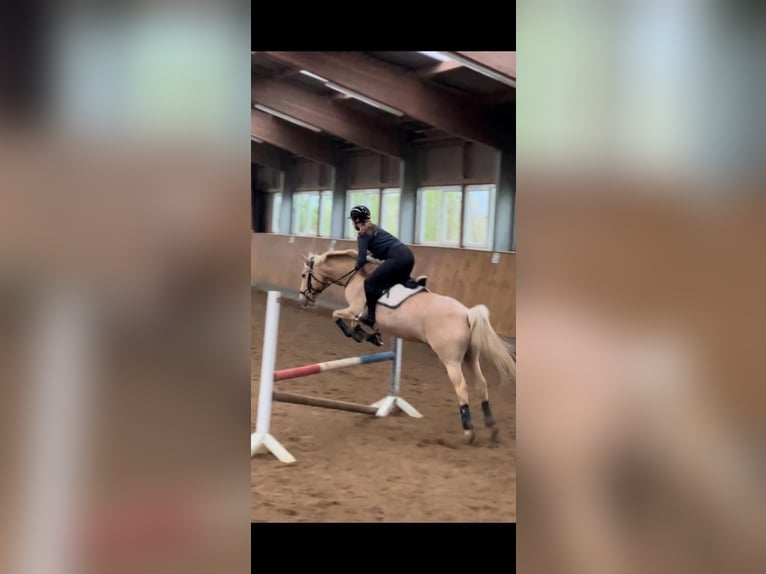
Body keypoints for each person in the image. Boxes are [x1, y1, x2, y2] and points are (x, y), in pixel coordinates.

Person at [349, 205, 425, 327]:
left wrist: (357, 266)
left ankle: (370, 316)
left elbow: (361, 259)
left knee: (369, 283)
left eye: (352, 220)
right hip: (408, 255)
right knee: (396, 279)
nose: (352, 223)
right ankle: (412, 283)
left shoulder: (362, 235)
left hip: (397, 259)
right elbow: (380, 247)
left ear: (356, 221)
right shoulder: (376, 229)